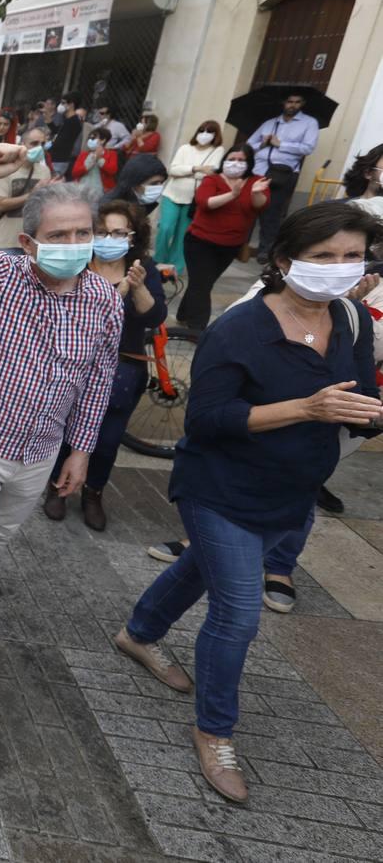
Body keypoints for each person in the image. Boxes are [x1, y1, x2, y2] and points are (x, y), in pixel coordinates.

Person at [115, 203, 380, 804]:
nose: (340, 269)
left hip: (290, 491)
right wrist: (306, 408)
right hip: (220, 487)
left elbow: (359, 401)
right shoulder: (239, 328)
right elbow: (207, 420)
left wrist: (366, 415)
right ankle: (215, 731)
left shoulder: (354, 319)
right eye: (324, 257)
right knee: (237, 612)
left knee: (199, 569)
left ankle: (138, 632)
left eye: (351, 256)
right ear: (285, 261)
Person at [0, 143, 124, 724]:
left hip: (38, 456)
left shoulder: (104, 304)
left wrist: (81, 450)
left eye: (82, 233)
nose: (73, 245)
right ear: (30, 243)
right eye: (58, 236)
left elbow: (99, 379)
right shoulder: (1, 276)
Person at [42, 200, 166, 530]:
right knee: (66, 430)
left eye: (118, 232)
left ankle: (93, 492)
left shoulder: (143, 267)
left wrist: (137, 288)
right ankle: (57, 487)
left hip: (124, 368)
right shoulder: (80, 264)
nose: (109, 238)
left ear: (132, 236)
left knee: (108, 439)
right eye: (102, 231)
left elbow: (155, 317)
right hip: (76, 363)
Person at [176, 146, 269, 330]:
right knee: (201, 284)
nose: (235, 163)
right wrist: (233, 194)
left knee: (203, 282)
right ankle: (197, 329)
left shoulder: (256, 181)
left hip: (230, 245)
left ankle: (183, 314)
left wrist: (256, 193)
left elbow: (261, 206)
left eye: (241, 160)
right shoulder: (212, 179)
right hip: (200, 242)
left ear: (249, 163)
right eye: (231, 158)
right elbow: (205, 202)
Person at [251, 93, 320, 261]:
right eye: (290, 102)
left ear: (302, 103)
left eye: (297, 102)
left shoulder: (309, 123)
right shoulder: (270, 123)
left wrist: (281, 144)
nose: (293, 105)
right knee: (249, 209)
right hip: (259, 171)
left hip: (282, 174)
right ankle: (240, 247)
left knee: (272, 213)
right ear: (284, 103)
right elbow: (249, 145)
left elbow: (308, 148)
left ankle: (266, 251)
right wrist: (263, 143)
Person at [157, 121, 227, 271]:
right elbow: (173, 170)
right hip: (172, 194)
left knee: (183, 234)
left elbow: (213, 173)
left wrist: (187, 172)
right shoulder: (185, 148)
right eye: (202, 130)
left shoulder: (218, 151)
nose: (204, 134)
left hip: (193, 200)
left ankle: (175, 267)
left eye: (209, 131)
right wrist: (197, 169)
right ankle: (158, 261)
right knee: (165, 228)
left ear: (216, 135)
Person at [0, 127, 54, 252]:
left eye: (43, 144)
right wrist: (31, 194)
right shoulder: (6, 169)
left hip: (32, 245)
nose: (39, 148)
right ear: (22, 145)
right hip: (4, 243)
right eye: (34, 143)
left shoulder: (44, 171)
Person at [72, 127, 118, 193]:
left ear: (103, 140)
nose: (90, 140)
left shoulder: (111, 154)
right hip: (83, 189)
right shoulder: (83, 154)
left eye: (93, 138)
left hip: (103, 191)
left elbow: (112, 171)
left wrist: (99, 159)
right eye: (90, 138)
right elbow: (74, 173)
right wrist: (88, 164)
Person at [53, 93, 86, 178]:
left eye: (63, 103)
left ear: (71, 104)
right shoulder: (66, 119)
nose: (60, 105)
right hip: (57, 158)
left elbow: (63, 141)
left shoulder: (73, 121)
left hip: (60, 159)